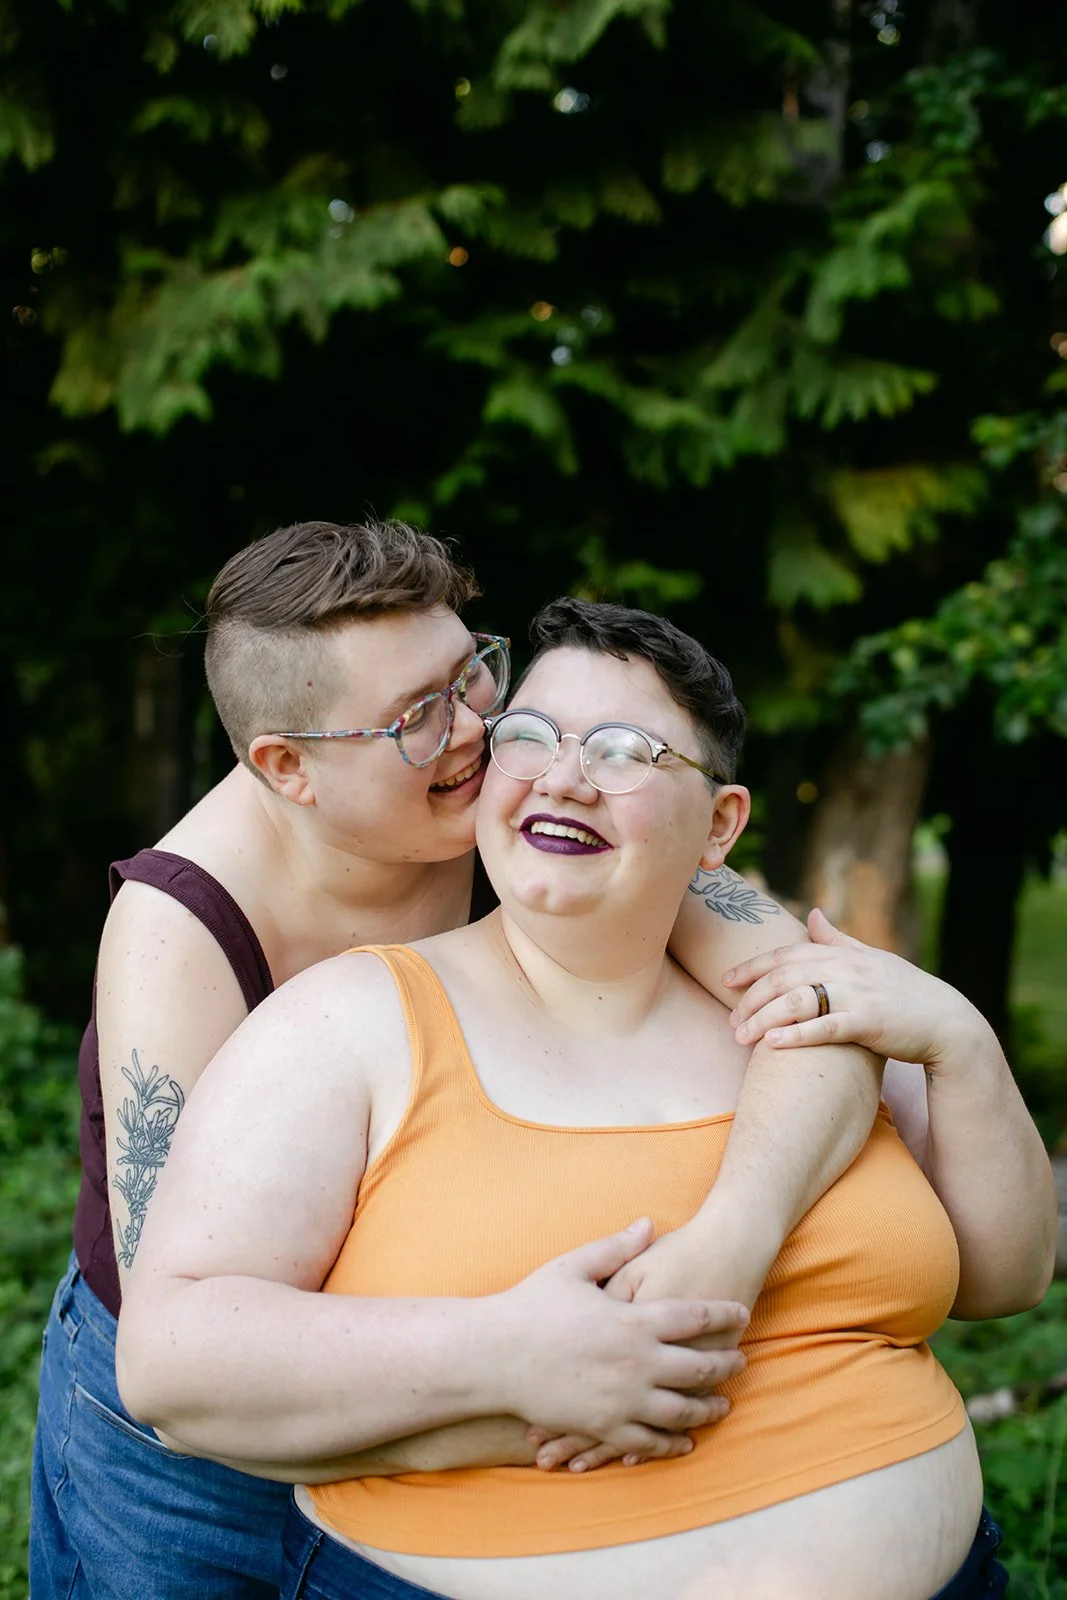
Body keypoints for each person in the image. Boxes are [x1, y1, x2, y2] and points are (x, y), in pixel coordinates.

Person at [117, 597, 1056, 1600]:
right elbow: (173, 1360)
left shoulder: (798, 1007)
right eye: (527, 736)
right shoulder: (344, 1023)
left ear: (720, 825)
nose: (563, 776)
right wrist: (502, 1356)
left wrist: (962, 1042)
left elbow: (1004, 1277)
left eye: (622, 752)